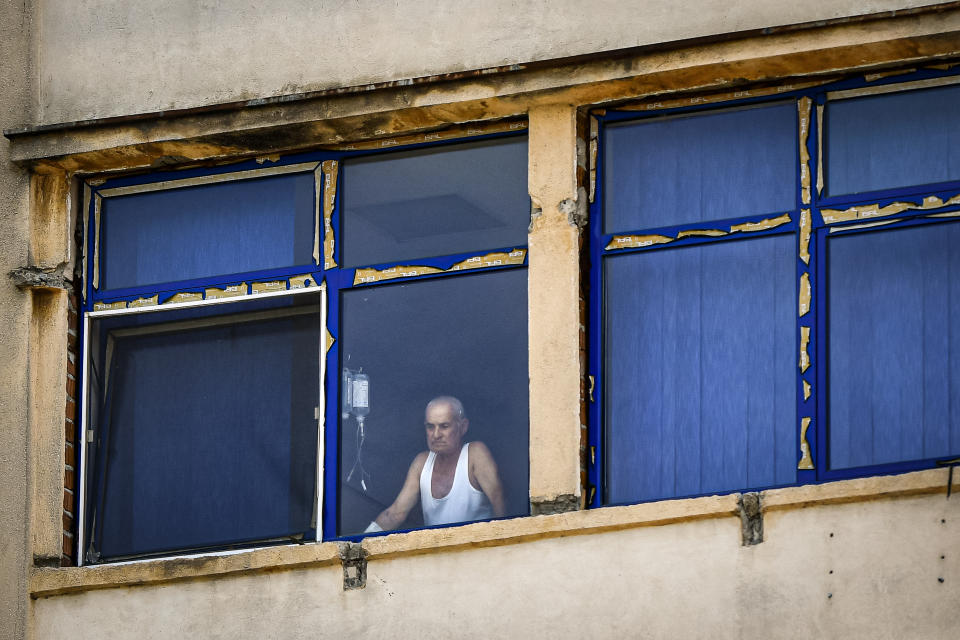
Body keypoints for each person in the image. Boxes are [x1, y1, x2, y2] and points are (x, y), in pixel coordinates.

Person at [364, 396, 505, 532]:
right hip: (438, 554)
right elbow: (395, 513)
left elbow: (500, 505)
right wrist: (360, 543)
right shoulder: (421, 462)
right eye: (430, 427)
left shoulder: (475, 453)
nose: (436, 434)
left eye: (444, 426)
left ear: (463, 427)